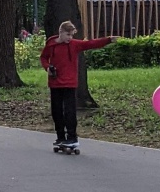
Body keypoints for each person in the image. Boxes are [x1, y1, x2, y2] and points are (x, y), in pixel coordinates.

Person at [40, 21, 112, 154]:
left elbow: (90, 44)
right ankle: (60, 137)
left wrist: (108, 40)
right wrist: (47, 68)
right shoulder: (51, 43)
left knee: (70, 111)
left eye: (72, 35)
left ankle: (72, 137)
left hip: (69, 83)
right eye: (68, 35)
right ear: (60, 32)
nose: (70, 38)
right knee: (56, 111)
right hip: (55, 82)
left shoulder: (74, 45)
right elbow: (44, 57)